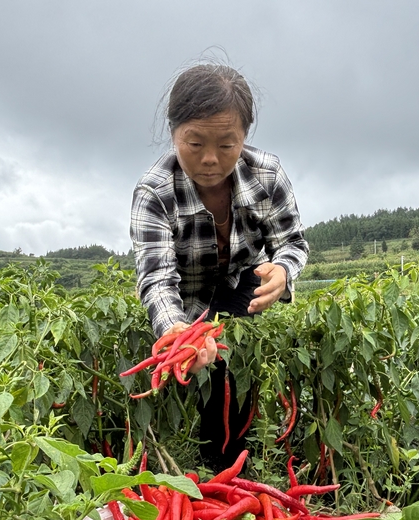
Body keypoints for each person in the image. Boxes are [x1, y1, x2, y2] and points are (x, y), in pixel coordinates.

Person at [130, 63, 309, 469]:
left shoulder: (267, 175)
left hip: (241, 280)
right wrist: (177, 331)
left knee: (234, 363)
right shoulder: (154, 192)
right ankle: (209, 453)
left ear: (244, 137)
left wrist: (282, 271)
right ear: (174, 132)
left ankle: (230, 458)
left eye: (227, 145)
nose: (210, 159)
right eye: (194, 144)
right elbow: (158, 278)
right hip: (187, 293)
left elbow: (292, 242)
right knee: (197, 361)